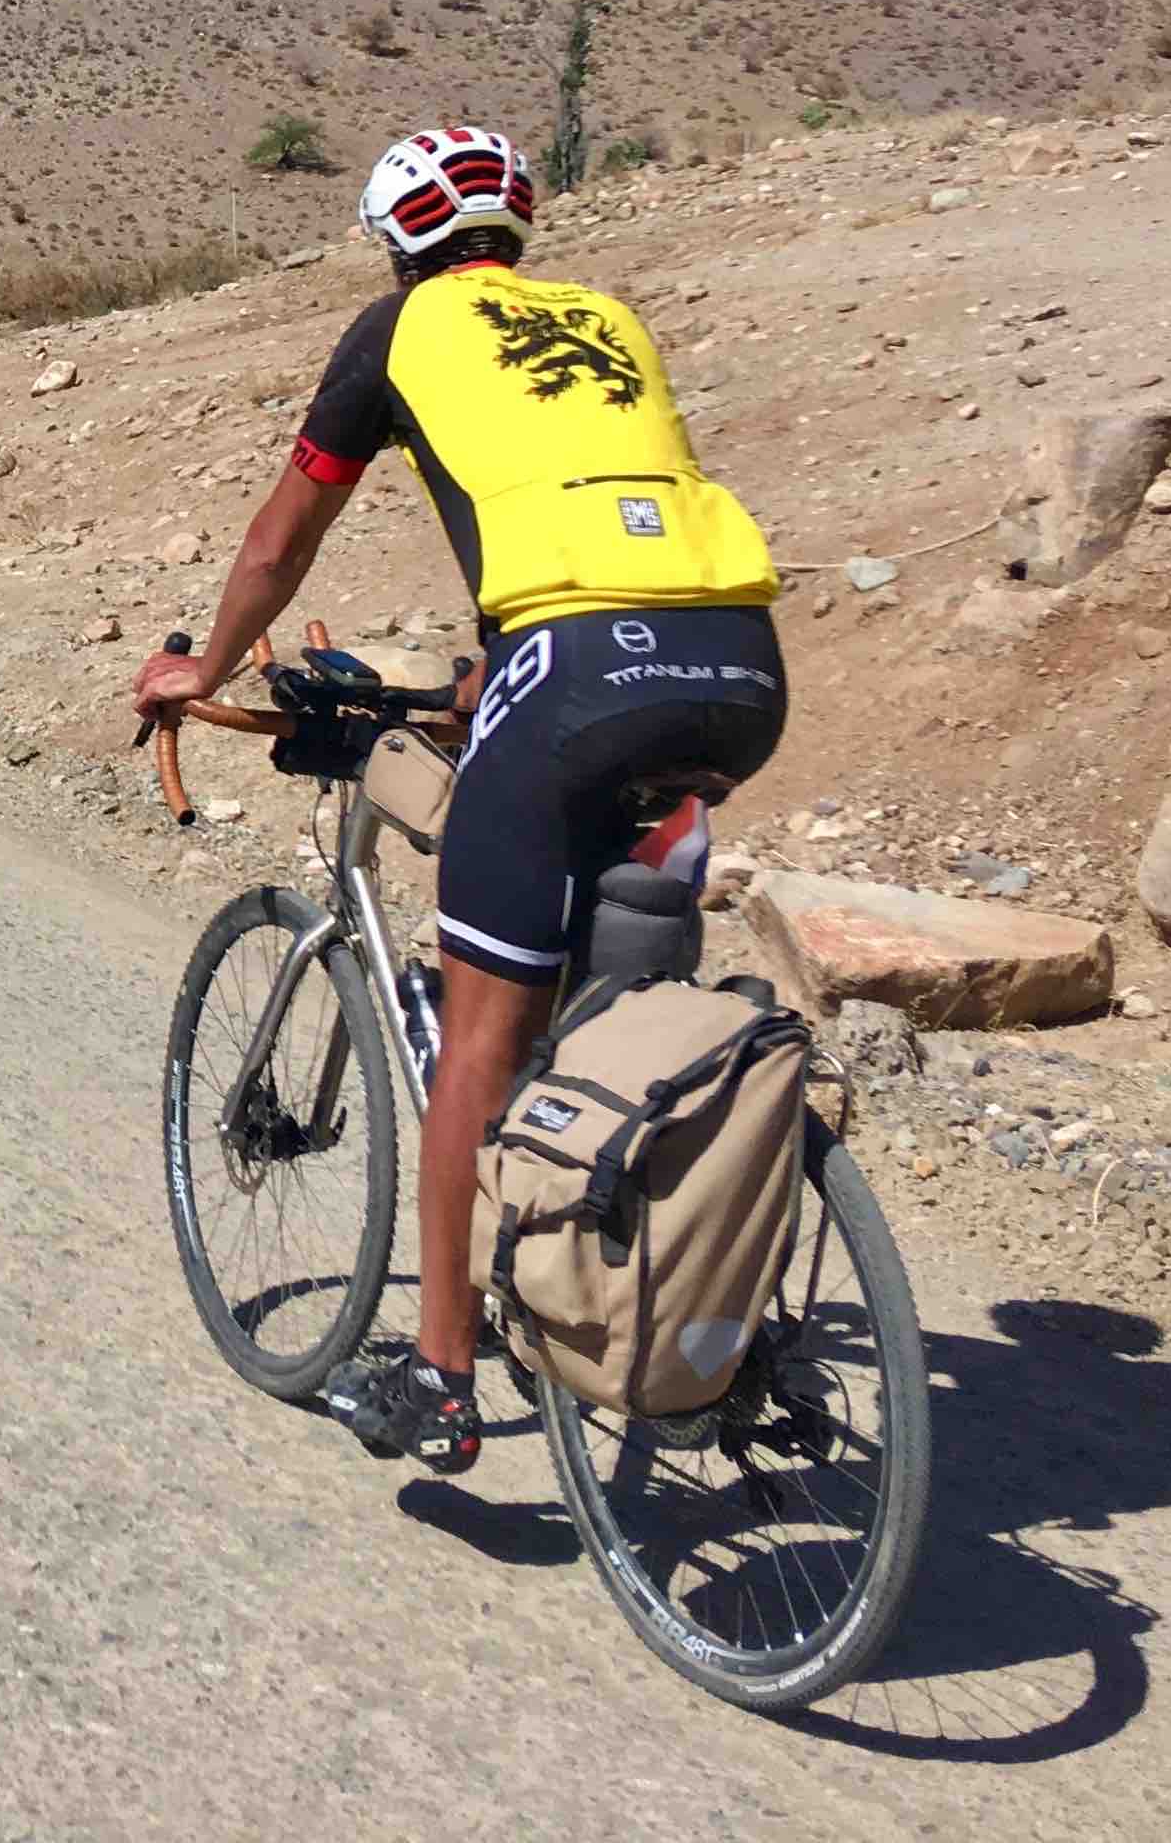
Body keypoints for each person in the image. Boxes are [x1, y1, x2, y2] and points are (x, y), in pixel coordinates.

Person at [137, 125, 783, 1472]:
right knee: (622, 995)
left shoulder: (399, 329)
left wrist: (201, 658)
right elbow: (603, 509)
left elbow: (280, 536)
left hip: (576, 671)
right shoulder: (607, 318)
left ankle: (440, 1375)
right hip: (734, 669)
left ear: (397, 238)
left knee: (479, 1031)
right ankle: (662, 1268)